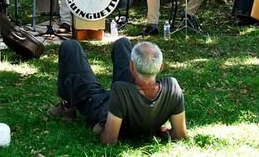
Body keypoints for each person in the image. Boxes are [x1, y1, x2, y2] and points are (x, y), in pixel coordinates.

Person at [49, 38, 187, 144]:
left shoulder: (121, 90)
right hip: (128, 97)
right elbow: (180, 135)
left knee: (70, 46)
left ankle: (68, 106)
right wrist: (156, 127)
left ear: (131, 66)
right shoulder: (172, 86)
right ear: (161, 67)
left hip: (100, 105)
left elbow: (109, 141)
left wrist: (102, 130)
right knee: (123, 42)